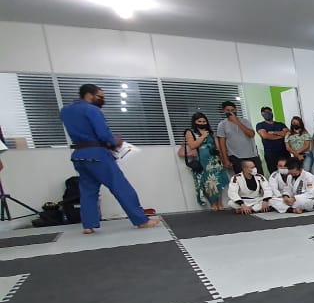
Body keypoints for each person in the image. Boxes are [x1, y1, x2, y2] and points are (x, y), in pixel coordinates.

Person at [58, 83, 159, 233]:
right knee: (121, 186)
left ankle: (88, 225)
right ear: (89, 95)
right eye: (99, 97)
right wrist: (115, 141)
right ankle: (141, 220)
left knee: (88, 190)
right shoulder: (92, 109)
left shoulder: (65, 111)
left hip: (79, 155)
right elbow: (103, 133)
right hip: (97, 154)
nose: (102, 100)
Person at [184, 112, 230, 211]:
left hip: (214, 160)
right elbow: (192, 145)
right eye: (199, 121)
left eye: (204, 121)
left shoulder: (211, 132)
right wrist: (203, 136)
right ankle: (213, 203)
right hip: (202, 162)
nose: (202, 123)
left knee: (217, 181)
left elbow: (217, 146)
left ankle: (219, 202)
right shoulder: (190, 132)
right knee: (207, 182)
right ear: (194, 122)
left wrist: (222, 158)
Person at [216, 101, 261, 174]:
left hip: (252, 155)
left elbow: (252, 134)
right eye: (228, 110)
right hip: (235, 157)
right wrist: (226, 160)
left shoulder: (245, 121)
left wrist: (237, 122)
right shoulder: (222, 125)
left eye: (232, 110)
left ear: (236, 110)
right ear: (224, 111)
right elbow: (222, 144)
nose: (231, 112)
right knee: (241, 179)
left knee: (258, 176)